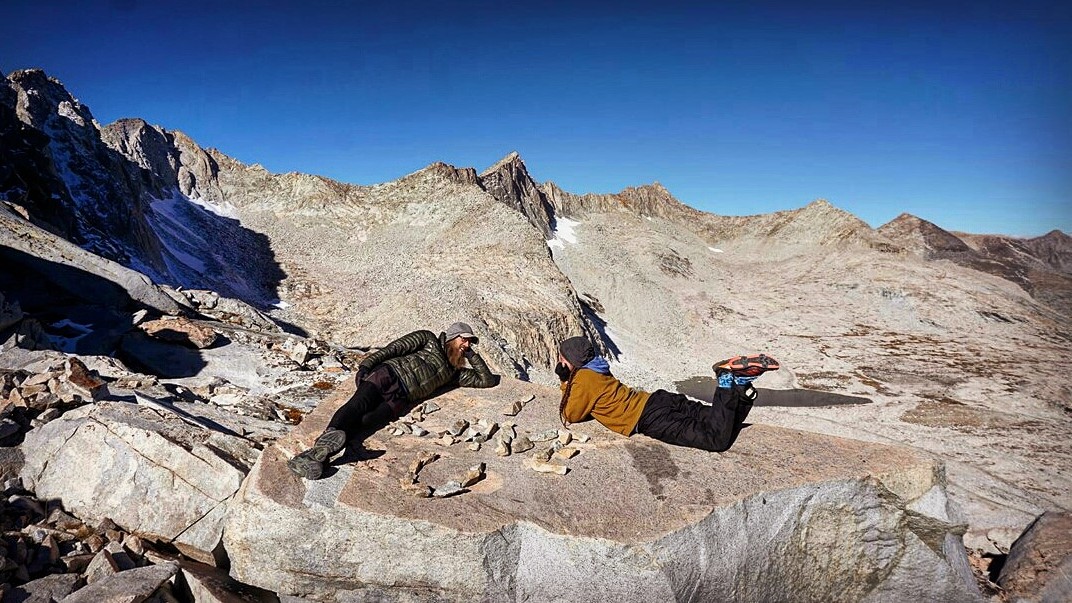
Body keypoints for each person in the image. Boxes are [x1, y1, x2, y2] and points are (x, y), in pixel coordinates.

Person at [288, 322, 498, 479]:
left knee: (366, 421)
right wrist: (366, 366)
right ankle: (320, 452)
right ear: (452, 337)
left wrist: (470, 355)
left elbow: (486, 380)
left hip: (401, 398)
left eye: (470, 342)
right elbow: (393, 349)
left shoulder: (454, 373)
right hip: (388, 374)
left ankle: (317, 456)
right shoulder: (428, 339)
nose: (467, 344)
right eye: (464, 339)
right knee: (356, 406)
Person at [555, 336, 779, 452]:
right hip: (657, 399)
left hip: (649, 418)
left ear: (571, 362)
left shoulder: (583, 379)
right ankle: (741, 387)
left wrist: (565, 380)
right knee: (720, 420)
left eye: (562, 360)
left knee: (716, 439)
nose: (559, 363)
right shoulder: (597, 367)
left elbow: (570, 414)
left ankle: (727, 381)